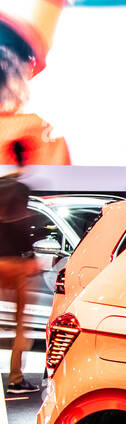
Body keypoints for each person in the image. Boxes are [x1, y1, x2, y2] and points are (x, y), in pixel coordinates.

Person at [0, 141, 40, 393]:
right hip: (16, 264)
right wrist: (32, 256)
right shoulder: (21, 189)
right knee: (21, 324)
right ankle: (15, 379)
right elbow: (22, 226)